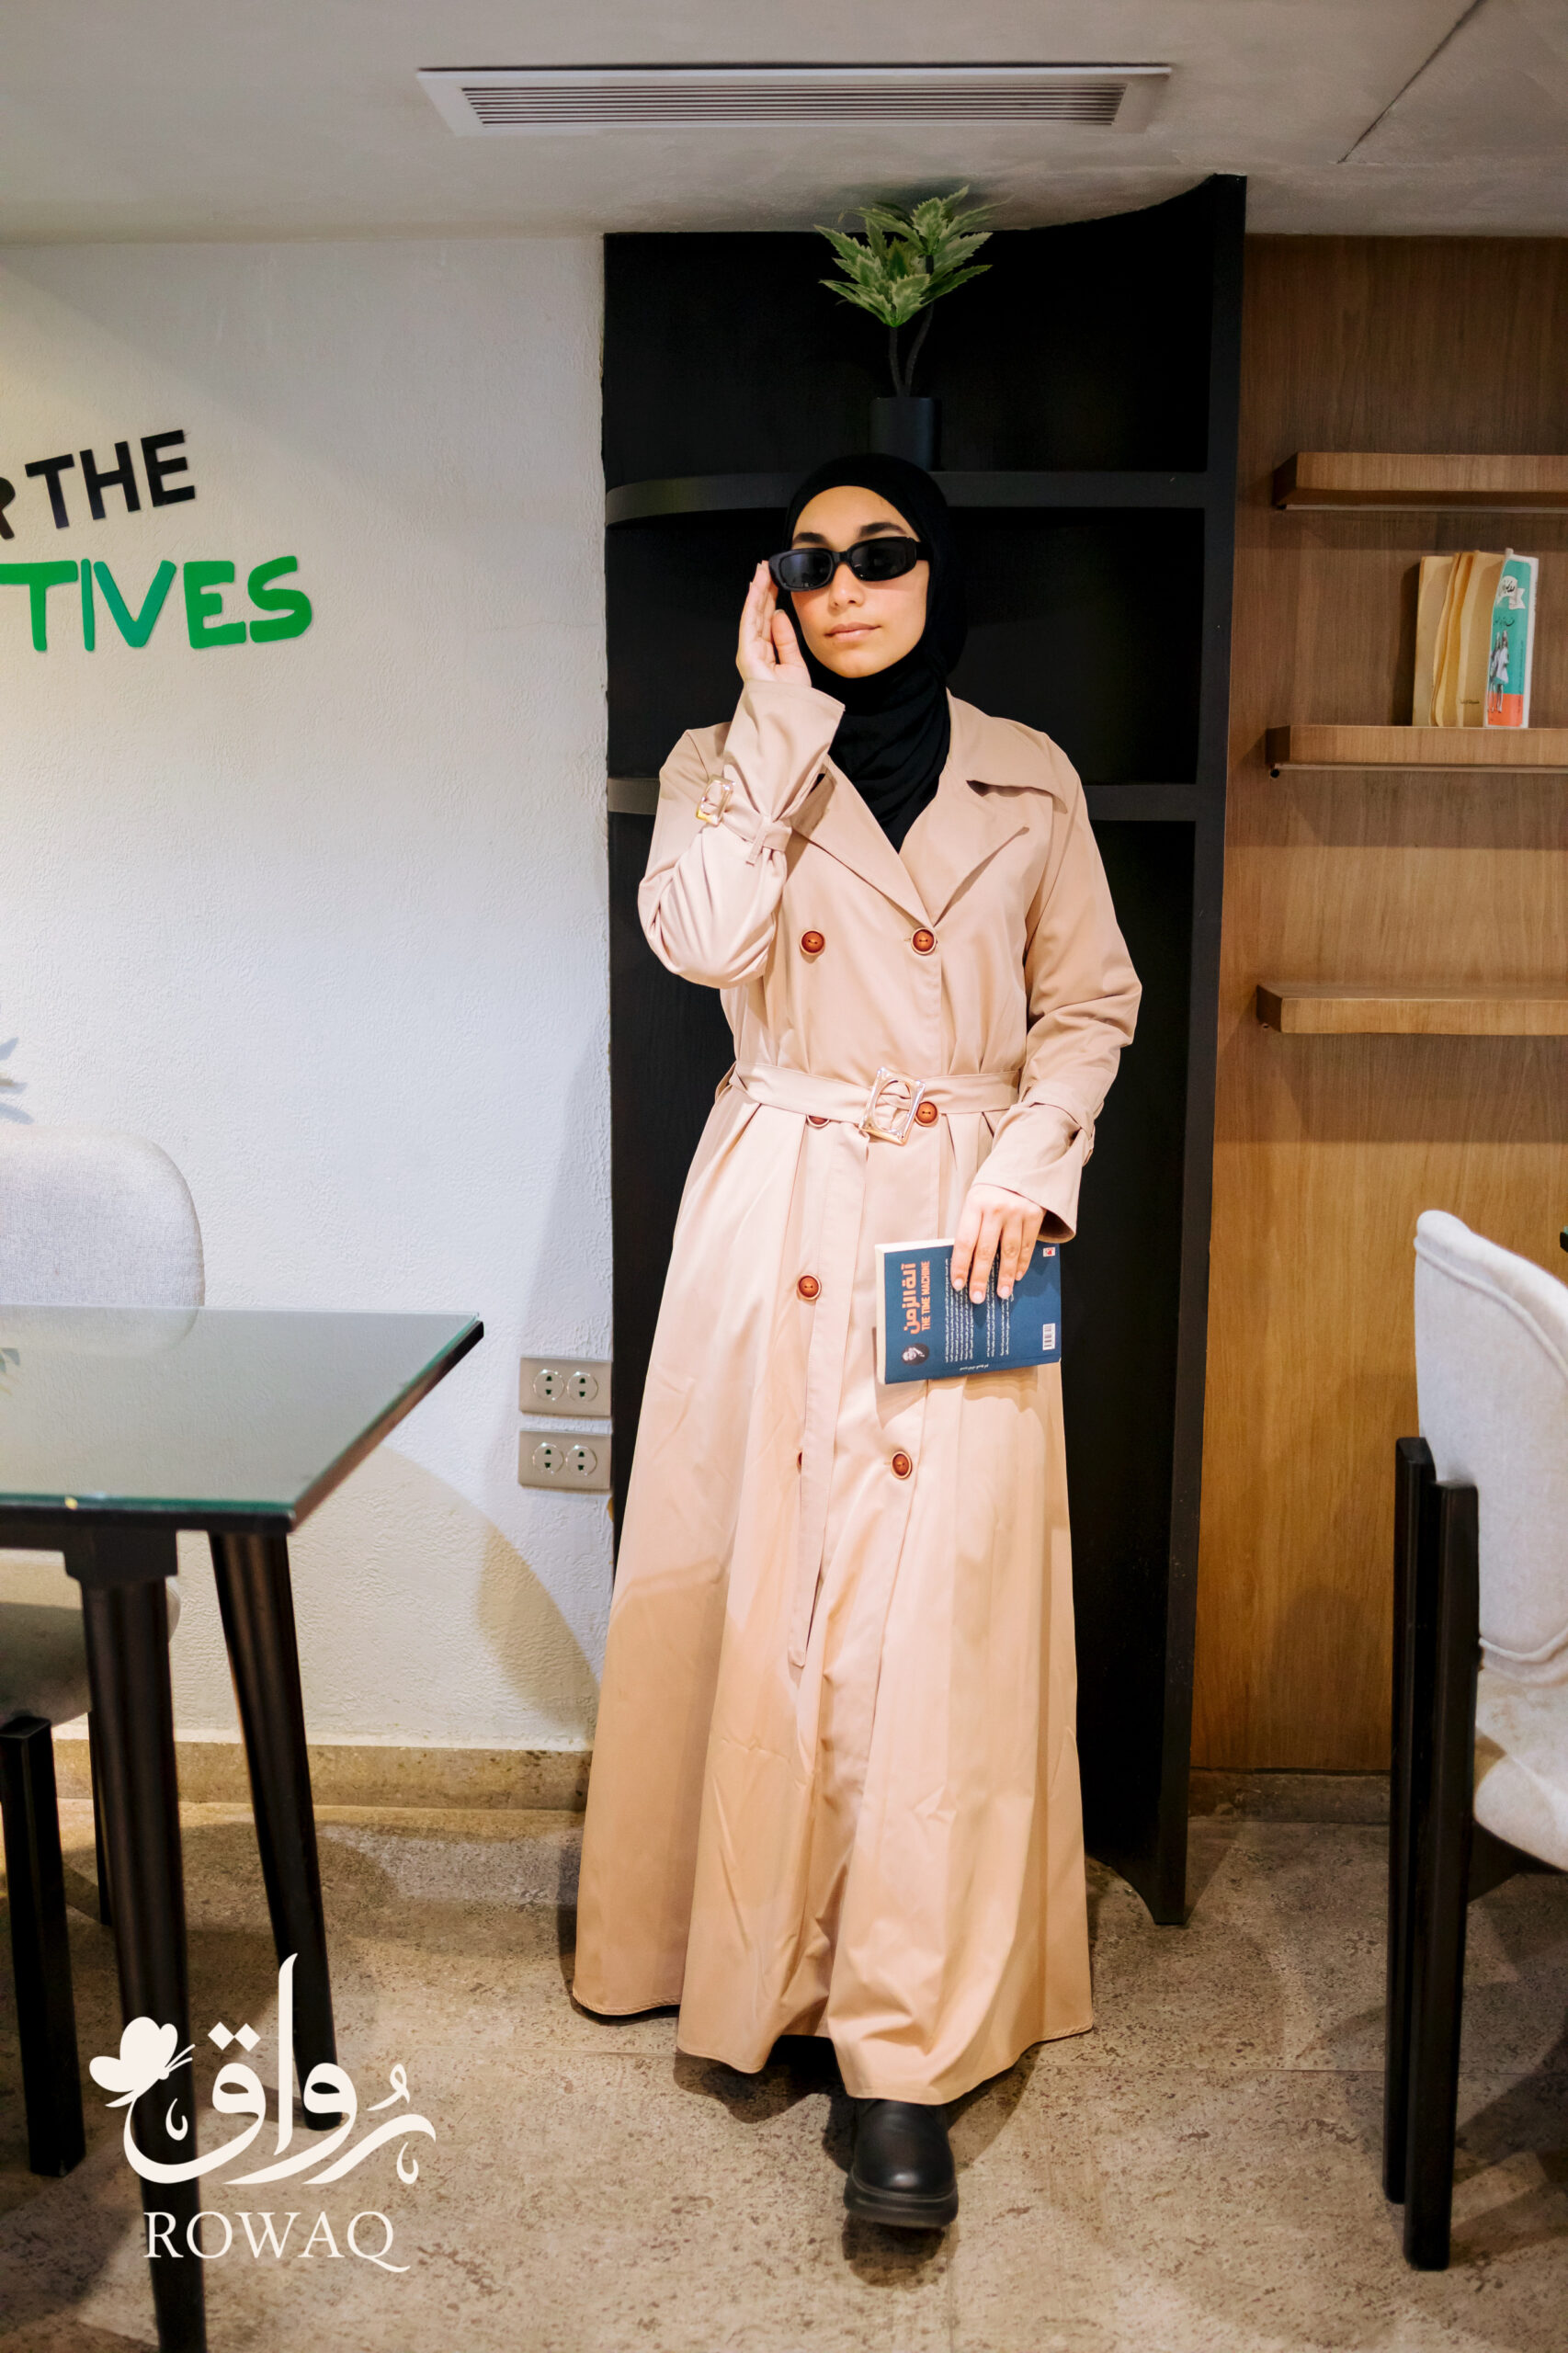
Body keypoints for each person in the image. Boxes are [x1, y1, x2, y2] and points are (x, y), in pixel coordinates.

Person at [574, 454, 1140, 2230]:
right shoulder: (718, 762)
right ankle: (755, 1966)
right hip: (780, 1204)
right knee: (766, 1580)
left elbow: (1089, 1004)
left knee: (934, 1613)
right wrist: (771, 727)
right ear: (776, 595)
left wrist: (1033, 1164)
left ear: (934, 570)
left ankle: (899, 2048)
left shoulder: (1027, 773)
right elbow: (697, 943)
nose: (846, 588)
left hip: (962, 1221)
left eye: (880, 555)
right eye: (809, 563)